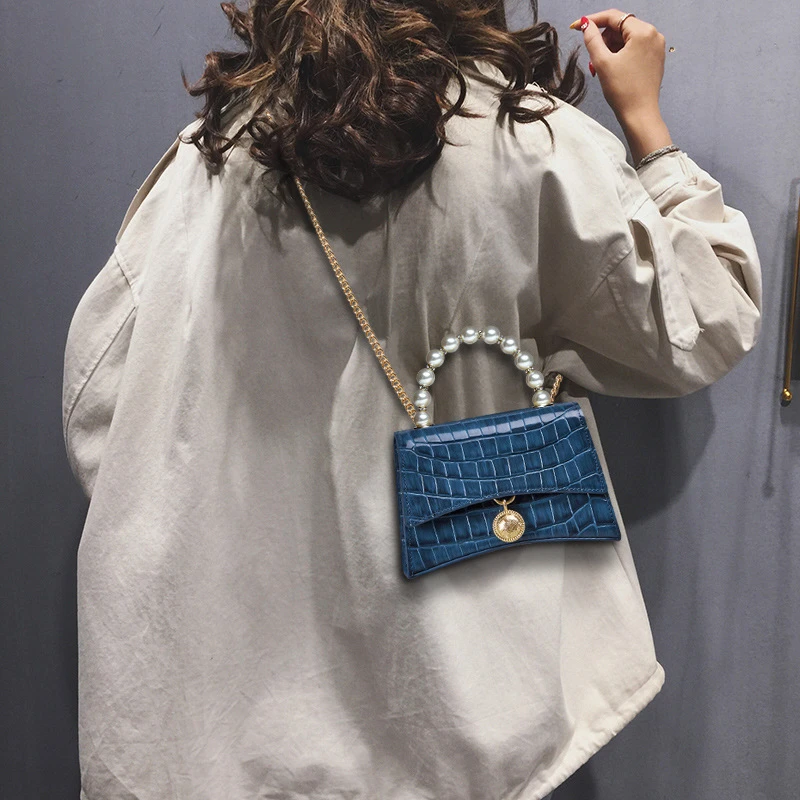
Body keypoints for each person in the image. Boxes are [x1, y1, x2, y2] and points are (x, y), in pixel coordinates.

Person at [61, 2, 761, 799]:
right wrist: (649, 130)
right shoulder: (529, 143)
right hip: (465, 699)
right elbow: (705, 321)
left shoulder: (215, 156)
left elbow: (101, 401)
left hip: (234, 715)